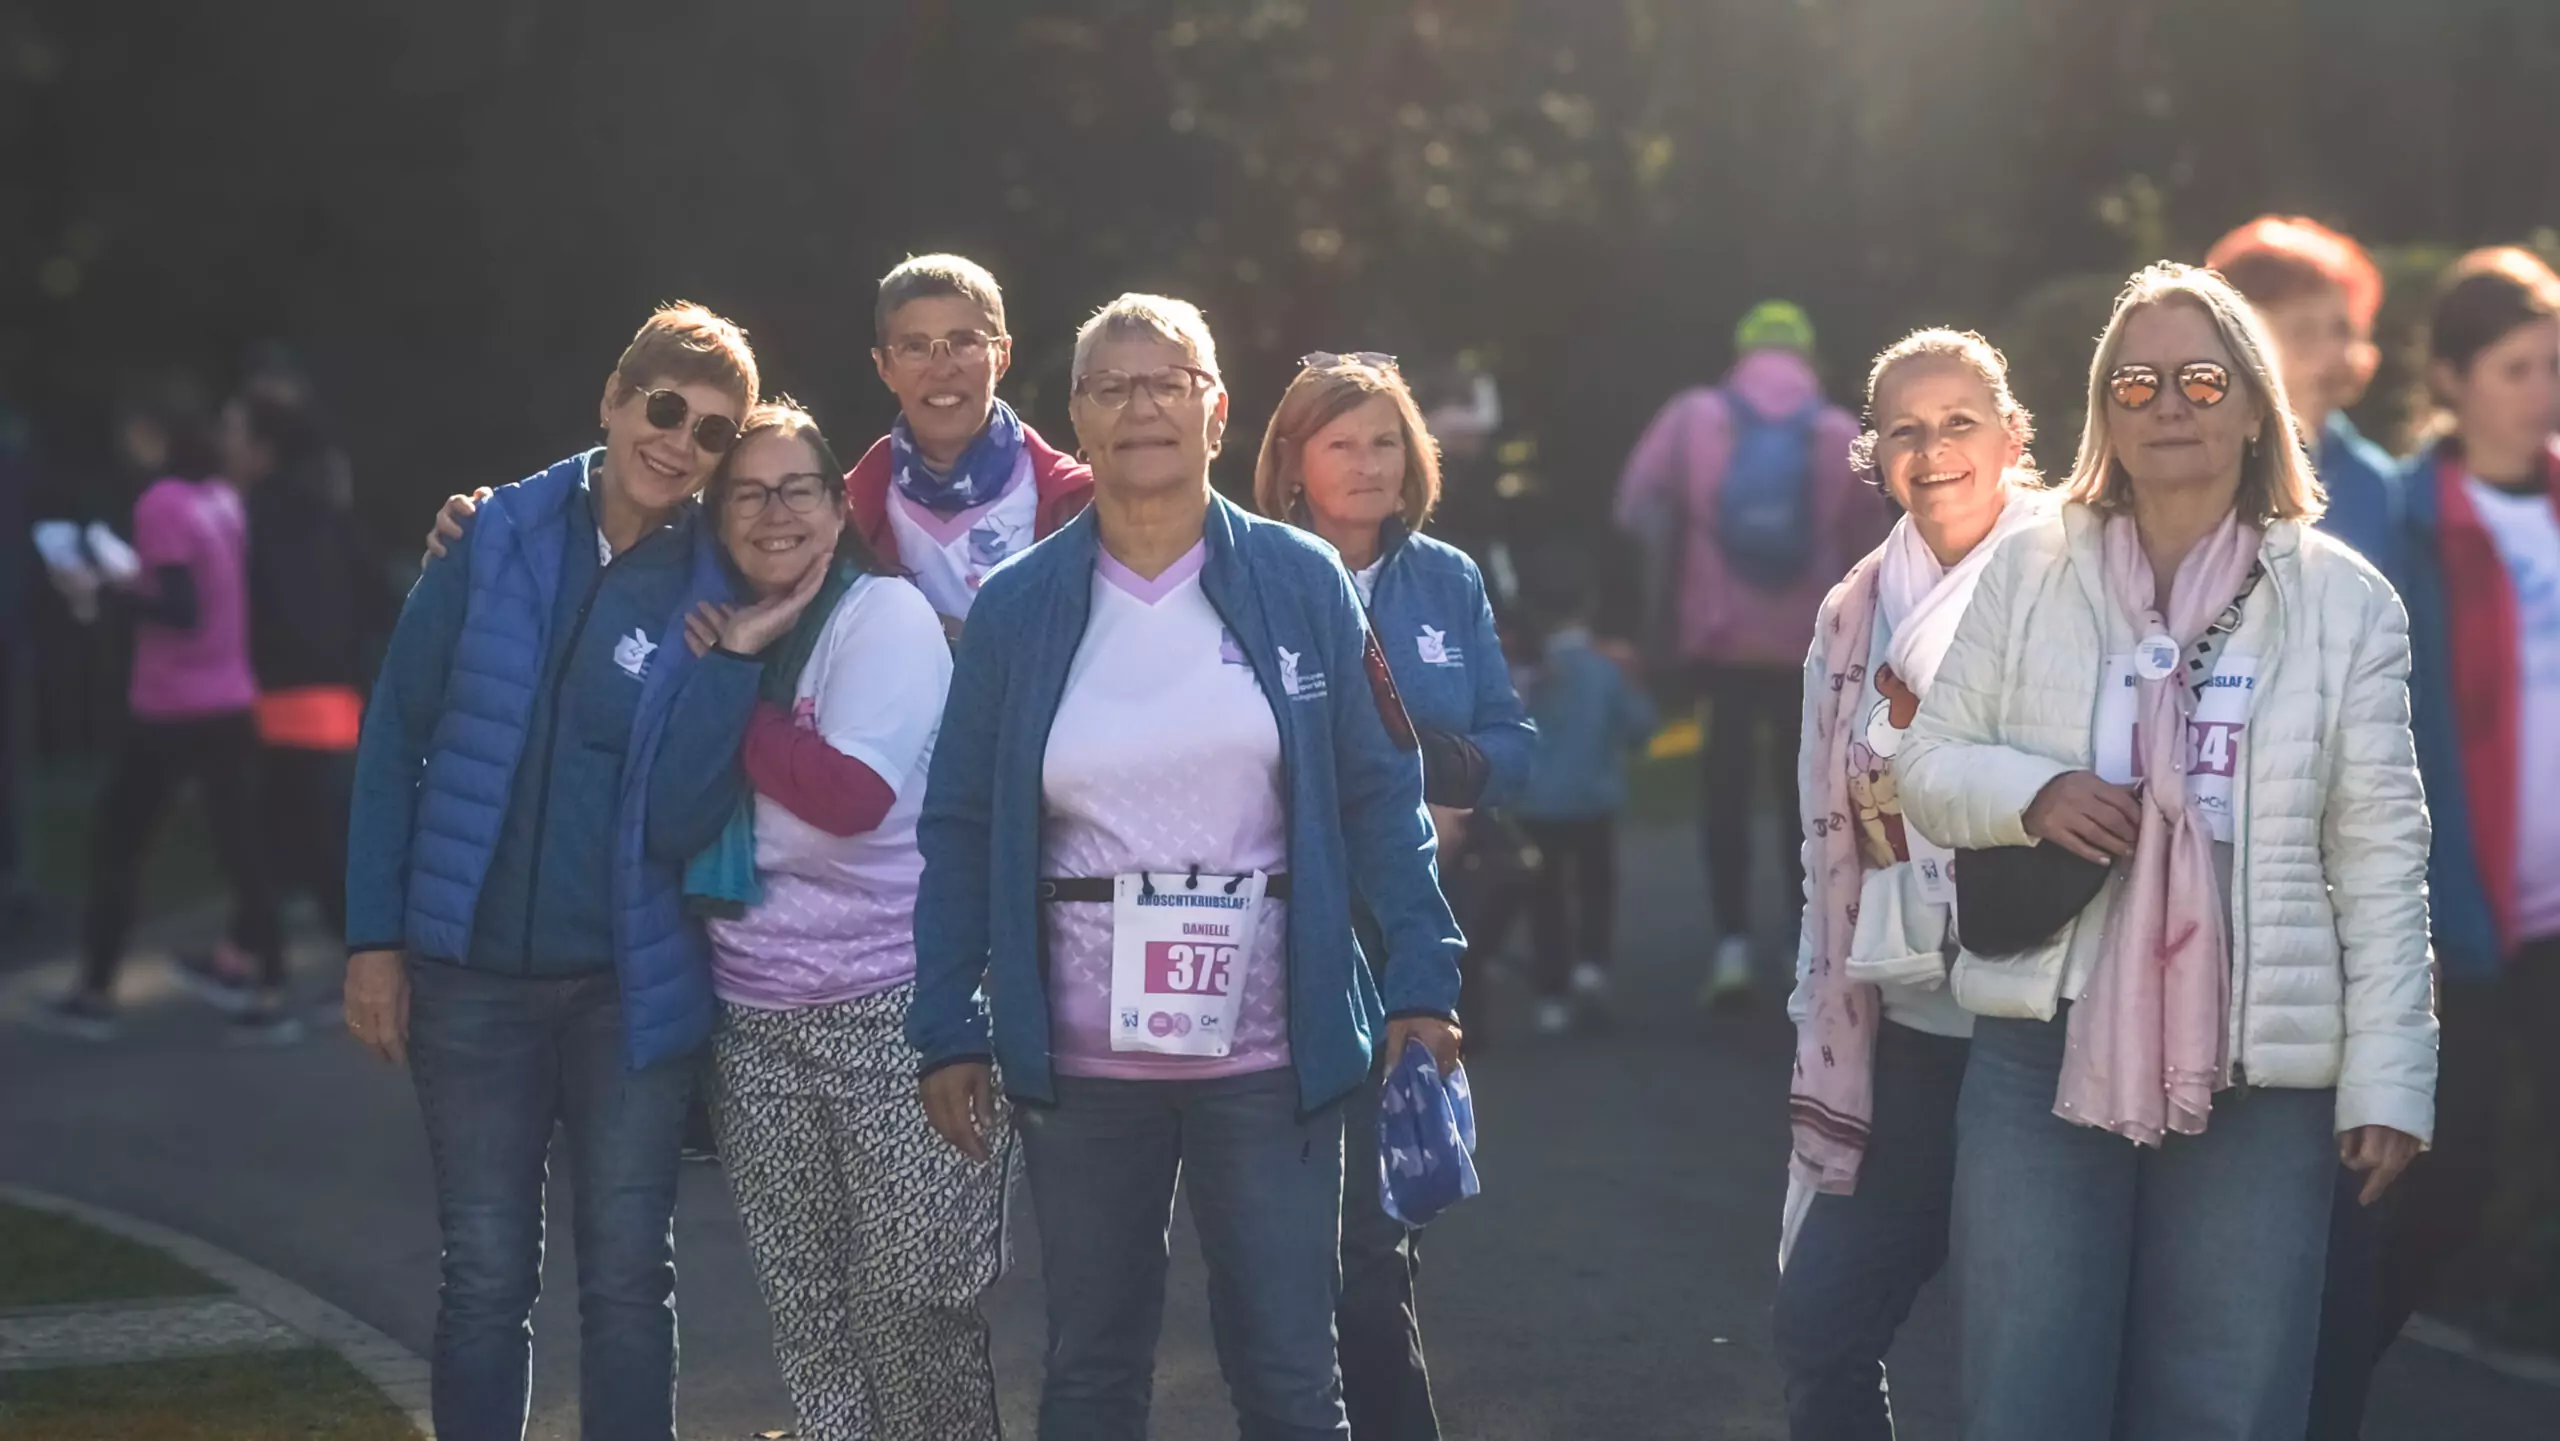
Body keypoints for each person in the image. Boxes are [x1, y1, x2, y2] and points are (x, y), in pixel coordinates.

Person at [910, 294, 1464, 1441]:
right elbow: (961, 822)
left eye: (1168, 380)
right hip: (1080, 1059)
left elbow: (1379, 793)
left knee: (1289, 1373)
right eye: (1112, 387)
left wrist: (1421, 973)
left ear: (1216, 411)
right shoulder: (1017, 609)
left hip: (1272, 1049)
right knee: (1092, 1371)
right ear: (1076, 420)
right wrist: (948, 1020)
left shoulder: (1301, 581)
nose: (1142, 405)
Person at [1897, 263, 2435, 1441]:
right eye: (2134, 382)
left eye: (2201, 377)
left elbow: (2384, 856)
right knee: (2023, 1400)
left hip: (2261, 1061)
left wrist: (2391, 1075)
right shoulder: (2029, 570)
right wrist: (2034, 792)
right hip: (2043, 1048)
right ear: (2104, 412)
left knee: (2224, 1407)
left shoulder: (2348, 605)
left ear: (2254, 407)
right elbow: (1925, 765)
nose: (2168, 404)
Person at [341, 304, 756, 1441]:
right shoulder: (495, 532)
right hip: (467, 979)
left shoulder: (719, 581)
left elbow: (697, 795)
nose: (679, 443)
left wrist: (734, 659)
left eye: (713, 433)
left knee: (628, 1276)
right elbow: (396, 734)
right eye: (664, 410)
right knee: (483, 1273)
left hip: (628, 984)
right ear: (614, 401)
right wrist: (372, 939)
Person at [642, 401, 1010, 1440]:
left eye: (796, 488)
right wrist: (727, 662)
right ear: (717, 515)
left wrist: (736, 688)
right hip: (754, 1018)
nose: (773, 512)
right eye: (747, 492)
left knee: (914, 1308)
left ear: (835, 504)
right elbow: (671, 815)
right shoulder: (708, 631)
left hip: (901, 1014)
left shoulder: (881, 616)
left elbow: (850, 796)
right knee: (809, 1314)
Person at [1772, 329, 2050, 1440]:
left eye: (1959, 423)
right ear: (1873, 454)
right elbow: (1819, 834)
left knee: (2027, 1345)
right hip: (1906, 1015)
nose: (1932, 450)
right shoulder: (1853, 610)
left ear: (2013, 437)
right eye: (1905, 429)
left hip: (2045, 1020)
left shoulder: (2074, 572)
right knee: (1820, 1324)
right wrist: (1817, 999)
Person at [1249, 352, 1531, 1441]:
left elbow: (1514, 743)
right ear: (1291, 460)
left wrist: (1445, 785)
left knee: (1375, 1238)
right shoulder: (1251, 569)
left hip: (1411, 927)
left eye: (1384, 443)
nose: (1367, 465)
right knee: (1289, 1240)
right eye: (1340, 443)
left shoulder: (1447, 578)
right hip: (1277, 927)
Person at [2313, 246, 2560, 1435]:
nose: (2544, 389)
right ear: (2452, 379)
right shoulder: (2411, 515)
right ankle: (2306, 1390)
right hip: (2463, 910)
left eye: (2556, 364)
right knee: (2437, 1181)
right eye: (2519, 368)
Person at [1615, 300, 1886, 1007]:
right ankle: (1810, 943)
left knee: (1725, 791)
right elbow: (1872, 540)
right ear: (1808, 355)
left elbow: (1634, 506)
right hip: (1816, 646)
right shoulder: (1834, 430)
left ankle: (1731, 945)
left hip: (1721, 642)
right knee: (1813, 800)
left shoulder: (1692, 418)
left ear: (1739, 353)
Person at [30, 374, 296, 1044]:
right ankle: (270, 993)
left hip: (172, 707)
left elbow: (180, 607)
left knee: (118, 843)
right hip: (230, 697)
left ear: (154, 435)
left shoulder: (163, 504)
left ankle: (94, 994)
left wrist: (105, 586)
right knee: (243, 849)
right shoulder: (222, 501)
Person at [845, 254, 1093, 630]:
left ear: (1003, 356)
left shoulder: (1081, 503)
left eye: (965, 343)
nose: (942, 369)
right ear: (883, 367)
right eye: (914, 347)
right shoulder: (843, 515)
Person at [225, 390, 387, 962]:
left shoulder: (253, 516)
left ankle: (364, 959)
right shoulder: (325, 511)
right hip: (339, 694)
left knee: (301, 839)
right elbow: (377, 594)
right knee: (296, 832)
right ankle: (245, 957)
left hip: (282, 695)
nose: (226, 444)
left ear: (263, 448)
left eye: (235, 431)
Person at [1506, 557, 1654, 1038]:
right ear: (1588, 604)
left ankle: (1551, 993)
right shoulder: (1606, 667)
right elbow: (1639, 728)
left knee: (1545, 897)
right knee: (1596, 885)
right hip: (1592, 798)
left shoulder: (1522, 672)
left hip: (1535, 802)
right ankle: (1591, 964)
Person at [2205, 216, 2403, 574]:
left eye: (2343, 329)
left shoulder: (2372, 482)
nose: (2333, 353)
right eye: (2303, 331)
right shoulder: (2196, 462)